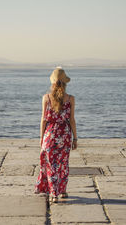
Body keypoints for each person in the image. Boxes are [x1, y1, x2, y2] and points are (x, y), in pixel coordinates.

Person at [34, 67, 78, 203]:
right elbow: (71, 120)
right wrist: (75, 138)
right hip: (64, 135)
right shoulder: (70, 99)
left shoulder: (46, 98)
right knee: (63, 163)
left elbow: (43, 119)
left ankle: (53, 193)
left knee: (51, 165)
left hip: (50, 135)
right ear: (65, 83)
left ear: (52, 83)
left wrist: (42, 138)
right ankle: (63, 191)